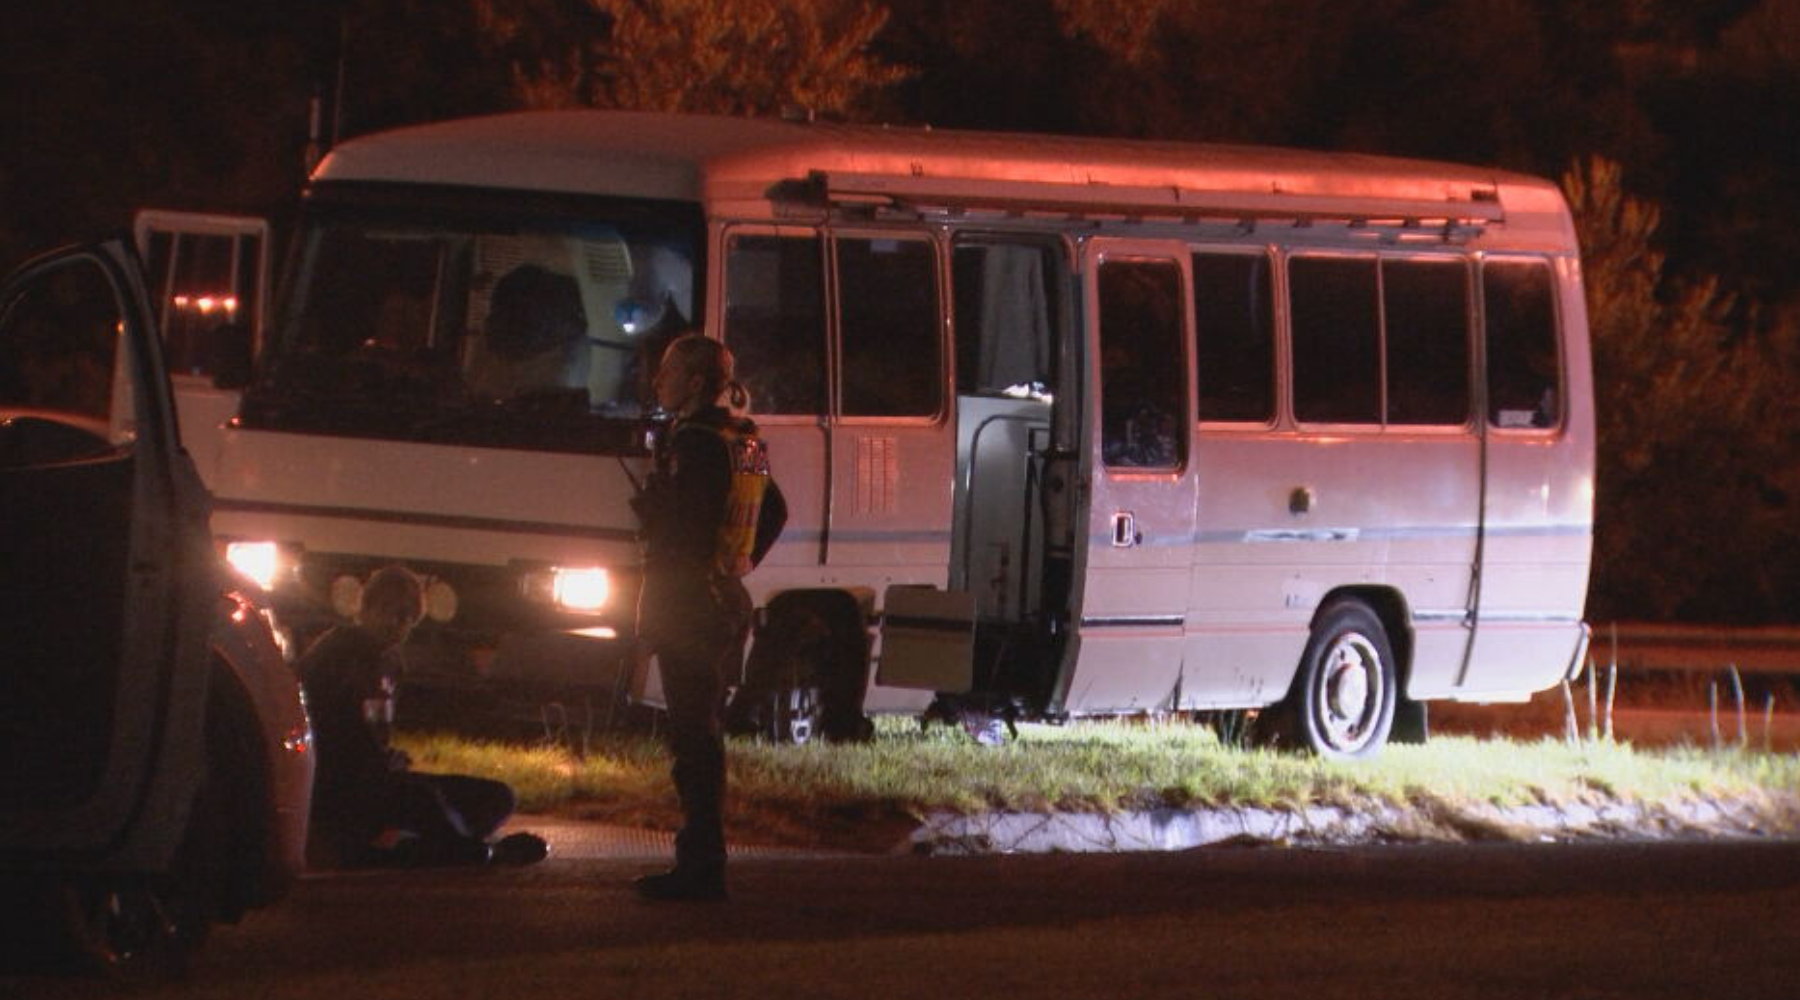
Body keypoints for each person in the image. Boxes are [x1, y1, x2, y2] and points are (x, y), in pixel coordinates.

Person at [297, 565, 547, 868]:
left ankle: (432, 845)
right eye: (388, 611)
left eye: (406, 617)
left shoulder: (391, 664)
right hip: (340, 785)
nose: (396, 623)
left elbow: (376, 735)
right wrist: (377, 762)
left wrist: (388, 758)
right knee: (421, 797)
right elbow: (330, 731)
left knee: (497, 796)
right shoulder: (337, 654)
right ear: (365, 609)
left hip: (380, 776)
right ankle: (466, 850)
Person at [630, 333, 762, 901]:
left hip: (689, 605)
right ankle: (701, 861)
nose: (658, 381)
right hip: (723, 599)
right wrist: (739, 562)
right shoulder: (743, 437)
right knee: (703, 733)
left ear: (695, 382)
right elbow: (773, 510)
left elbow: (689, 526)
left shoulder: (694, 441)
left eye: (669, 371)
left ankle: (701, 866)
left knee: (693, 742)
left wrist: (658, 515)